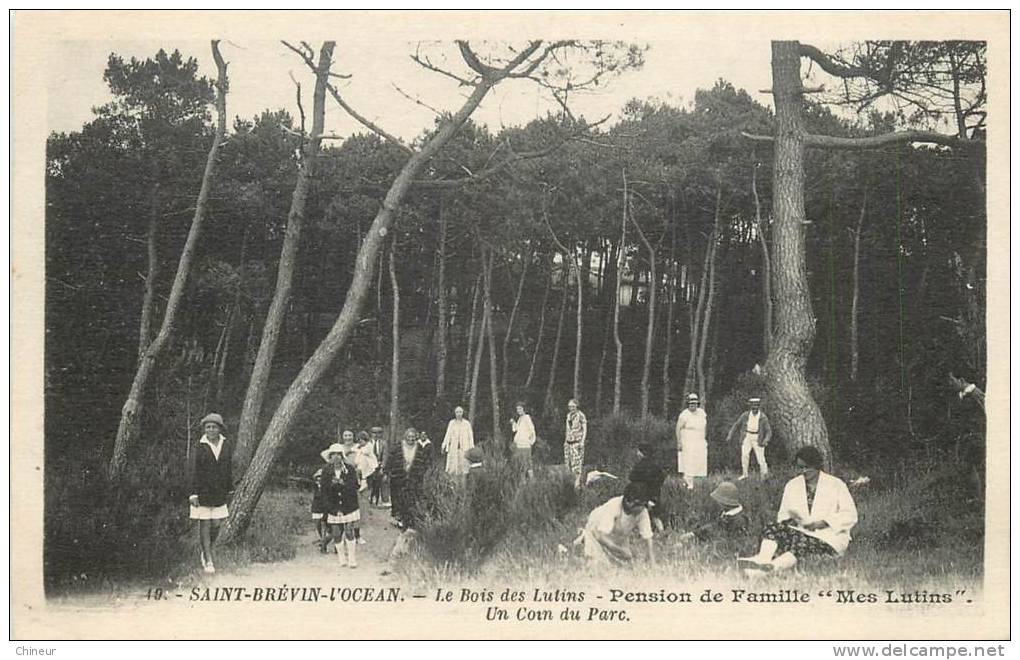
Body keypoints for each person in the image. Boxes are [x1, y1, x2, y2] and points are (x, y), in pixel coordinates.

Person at [738, 447, 858, 574]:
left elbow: (850, 515)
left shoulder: (835, 484)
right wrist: (791, 522)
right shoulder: (792, 485)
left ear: (817, 466)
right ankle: (763, 559)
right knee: (772, 527)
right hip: (800, 530)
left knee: (800, 545)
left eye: (807, 467)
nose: (804, 471)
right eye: (800, 467)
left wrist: (823, 523)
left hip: (828, 536)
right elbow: (783, 515)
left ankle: (771, 568)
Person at [188, 412, 233, 574]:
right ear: (204, 429)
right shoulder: (199, 446)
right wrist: (193, 493)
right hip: (202, 492)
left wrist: (230, 488)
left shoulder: (226, 445)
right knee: (205, 524)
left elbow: (228, 468)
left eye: (214, 427)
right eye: (208, 427)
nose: (211, 430)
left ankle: (206, 549)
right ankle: (208, 558)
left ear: (220, 429)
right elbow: (193, 470)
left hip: (219, 492)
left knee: (216, 525)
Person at [575, 482, 656, 566]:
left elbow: (648, 538)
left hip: (618, 535)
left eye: (644, 505)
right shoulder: (613, 506)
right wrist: (619, 550)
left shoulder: (642, 511)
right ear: (628, 502)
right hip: (595, 531)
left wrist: (652, 563)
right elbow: (600, 536)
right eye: (640, 506)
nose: (643, 509)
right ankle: (582, 542)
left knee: (625, 566)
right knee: (599, 565)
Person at [385, 427, 437, 530]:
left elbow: (424, 462)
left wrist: (421, 472)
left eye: (413, 437)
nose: (411, 439)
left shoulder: (419, 448)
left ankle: (410, 520)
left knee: (412, 498)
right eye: (409, 437)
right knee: (398, 498)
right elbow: (390, 460)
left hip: (414, 478)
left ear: (416, 438)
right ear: (405, 437)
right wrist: (387, 472)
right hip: (398, 477)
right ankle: (398, 518)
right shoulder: (398, 447)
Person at [320, 442, 361, 568]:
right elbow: (324, 490)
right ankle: (342, 558)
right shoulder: (326, 471)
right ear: (330, 457)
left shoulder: (349, 469)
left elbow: (355, 486)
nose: (336, 457)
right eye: (333, 455)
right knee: (336, 533)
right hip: (333, 505)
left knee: (349, 530)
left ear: (342, 456)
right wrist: (331, 507)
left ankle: (352, 558)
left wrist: (343, 483)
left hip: (349, 504)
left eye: (339, 454)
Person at [678, 481, 751, 545]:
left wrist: (695, 536)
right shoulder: (728, 513)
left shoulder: (738, 520)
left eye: (719, 501)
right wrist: (694, 534)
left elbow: (719, 533)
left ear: (724, 502)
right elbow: (714, 526)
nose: (717, 503)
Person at [726, 397, 772, 480]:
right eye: (753, 406)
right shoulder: (745, 415)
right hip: (747, 436)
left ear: (759, 406)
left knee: (761, 458)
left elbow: (769, 431)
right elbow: (736, 424)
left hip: (758, 438)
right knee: (744, 455)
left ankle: (764, 476)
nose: (755, 407)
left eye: (756, 405)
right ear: (750, 406)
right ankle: (745, 474)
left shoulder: (763, 417)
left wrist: (766, 440)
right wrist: (730, 435)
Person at [627, 442, 666, 531]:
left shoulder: (639, 466)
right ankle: (662, 532)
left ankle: (635, 532)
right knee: (655, 516)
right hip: (655, 494)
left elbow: (632, 477)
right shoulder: (656, 465)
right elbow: (662, 477)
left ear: (642, 453)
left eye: (638, 451)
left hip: (642, 495)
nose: (637, 453)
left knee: (637, 514)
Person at [675, 393, 708, 490]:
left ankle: (698, 484)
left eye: (695, 404)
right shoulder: (684, 415)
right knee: (688, 462)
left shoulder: (702, 413)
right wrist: (679, 442)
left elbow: (705, 426)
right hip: (688, 441)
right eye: (691, 404)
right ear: (688, 404)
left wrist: (704, 438)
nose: (693, 406)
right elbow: (678, 428)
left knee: (699, 462)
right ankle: (689, 484)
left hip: (700, 441)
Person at [441, 406, 475, 477]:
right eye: (457, 412)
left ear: (462, 413)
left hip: (465, 447)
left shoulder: (467, 423)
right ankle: (453, 483)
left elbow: (470, 437)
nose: (458, 414)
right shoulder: (451, 423)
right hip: (454, 448)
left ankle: (463, 483)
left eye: (460, 412)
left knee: (464, 466)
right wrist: (444, 445)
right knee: (453, 466)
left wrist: (471, 448)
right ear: (455, 413)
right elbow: (448, 435)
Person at [564, 399, 588, 489]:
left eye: (573, 406)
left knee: (577, 465)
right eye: (570, 406)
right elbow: (567, 429)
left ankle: (577, 484)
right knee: (568, 464)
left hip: (577, 442)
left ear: (577, 406)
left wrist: (582, 441)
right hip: (568, 442)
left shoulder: (581, 415)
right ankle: (569, 484)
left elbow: (585, 428)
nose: (571, 408)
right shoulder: (568, 416)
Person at [511, 402, 537, 478]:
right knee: (520, 463)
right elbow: (516, 429)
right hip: (519, 444)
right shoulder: (520, 419)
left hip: (525, 444)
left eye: (520, 409)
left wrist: (530, 441)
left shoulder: (527, 417)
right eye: (517, 409)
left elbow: (532, 430)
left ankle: (532, 481)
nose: (518, 410)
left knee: (528, 463)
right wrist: (513, 422)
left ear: (524, 409)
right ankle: (523, 481)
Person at [368, 426, 390, 507]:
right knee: (369, 481)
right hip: (369, 466)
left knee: (384, 480)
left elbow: (385, 456)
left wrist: (382, 468)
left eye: (378, 433)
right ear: (371, 434)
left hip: (380, 465)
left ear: (381, 434)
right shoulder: (368, 443)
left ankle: (385, 500)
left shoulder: (384, 443)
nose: (376, 435)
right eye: (374, 433)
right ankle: (370, 498)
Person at [310, 468, 329, 553]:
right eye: (318, 477)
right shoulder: (314, 486)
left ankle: (324, 543)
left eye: (321, 477)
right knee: (317, 524)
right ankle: (322, 539)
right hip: (316, 507)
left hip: (324, 507)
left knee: (324, 525)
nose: (319, 479)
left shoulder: (326, 487)